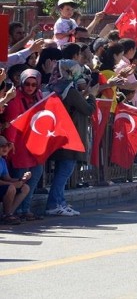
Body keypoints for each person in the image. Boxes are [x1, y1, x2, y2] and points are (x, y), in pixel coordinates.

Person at [44, 60, 96, 217]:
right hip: (69, 135)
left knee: (62, 171)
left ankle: (60, 202)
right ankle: (54, 204)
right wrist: (92, 95)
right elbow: (87, 109)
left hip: (57, 134)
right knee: (64, 172)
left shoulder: (52, 86)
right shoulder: (68, 90)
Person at [3, 69, 44, 221]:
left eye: (34, 84)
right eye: (27, 83)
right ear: (21, 82)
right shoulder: (15, 99)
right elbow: (12, 123)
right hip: (19, 146)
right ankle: (15, 210)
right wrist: (11, 142)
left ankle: (25, 209)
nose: (30, 87)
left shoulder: (39, 96)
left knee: (34, 178)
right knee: (21, 180)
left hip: (35, 145)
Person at [0, 136, 31, 225]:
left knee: (25, 187)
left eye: (7, 145)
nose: (5, 148)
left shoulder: (2, 161)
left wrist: (21, 179)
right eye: (2, 146)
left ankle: (8, 214)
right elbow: (8, 182)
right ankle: (7, 215)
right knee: (11, 188)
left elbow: (7, 178)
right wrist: (13, 184)